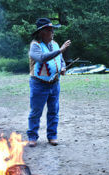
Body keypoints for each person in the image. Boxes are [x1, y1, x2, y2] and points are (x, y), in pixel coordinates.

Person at [27, 18, 71, 147]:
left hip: (55, 83)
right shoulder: (35, 45)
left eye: (52, 30)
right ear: (42, 32)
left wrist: (62, 67)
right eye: (50, 30)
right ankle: (32, 137)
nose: (52, 33)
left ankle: (52, 136)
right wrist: (60, 50)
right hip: (39, 84)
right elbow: (41, 58)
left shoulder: (55, 44)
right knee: (36, 112)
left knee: (53, 111)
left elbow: (60, 59)